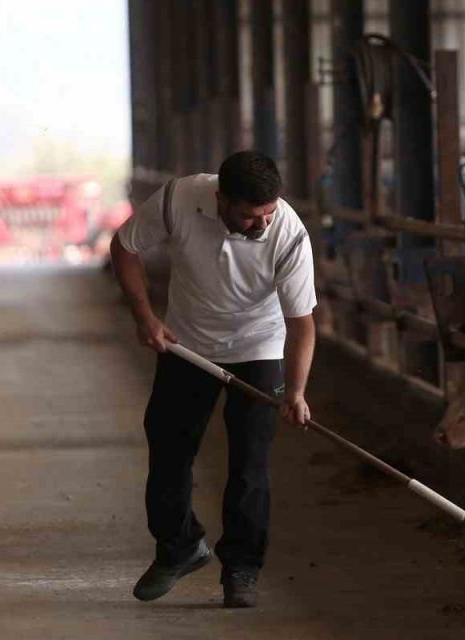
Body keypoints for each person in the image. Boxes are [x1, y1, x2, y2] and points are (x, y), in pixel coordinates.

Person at [109, 151, 317, 608]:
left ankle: (242, 567)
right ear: (220, 198)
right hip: (188, 343)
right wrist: (145, 316)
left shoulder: (289, 234)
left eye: (268, 214)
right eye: (249, 215)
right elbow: (124, 246)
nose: (261, 225)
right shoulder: (178, 199)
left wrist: (296, 391)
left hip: (259, 345)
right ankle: (179, 547)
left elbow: (302, 323)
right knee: (168, 447)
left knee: (250, 462)